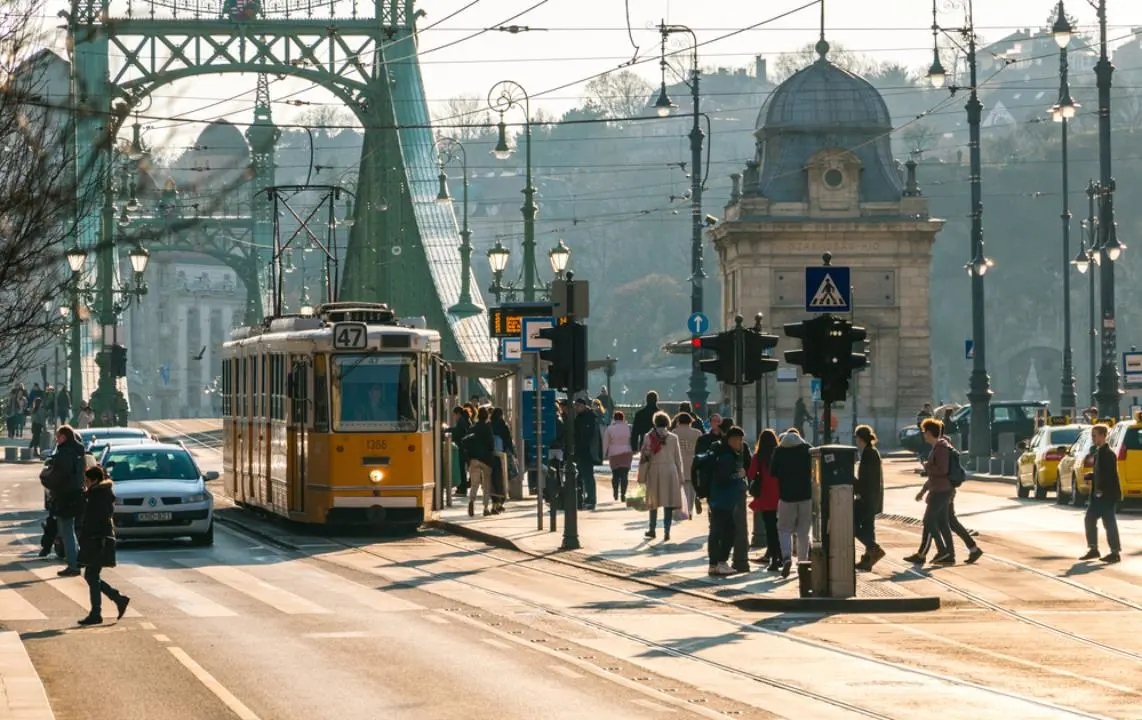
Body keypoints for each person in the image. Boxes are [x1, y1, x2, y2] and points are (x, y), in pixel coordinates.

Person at [76, 465, 129, 625]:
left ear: (94, 481)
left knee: (91, 575)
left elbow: (92, 519)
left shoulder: (96, 495)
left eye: (87, 481)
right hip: (101, 538)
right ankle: (115, 600)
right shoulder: (102, 493)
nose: (85, 484)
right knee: (92, 575)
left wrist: (84, 538)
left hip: (97, 540)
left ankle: (100, 611)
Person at [39, 425, 85, 577]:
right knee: (68, 530)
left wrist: (45, 477)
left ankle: (73, 565)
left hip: (65, 497)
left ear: (64, 437)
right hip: (75, 496)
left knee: (67, 531)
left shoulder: (65, 452)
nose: (56, 440)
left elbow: (59, 476)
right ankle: (76, 561)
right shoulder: (78, 451)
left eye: (58, 437)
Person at [770, 428, 812, 578]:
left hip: (786, 496)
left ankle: (787, 557)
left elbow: (773, 472)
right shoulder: (806, 448)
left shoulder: (779, 450)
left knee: (784, 529)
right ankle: (803, 562)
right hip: (806, 495)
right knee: (803, 532)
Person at [914, 418, 955, 565]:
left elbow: (942, 470)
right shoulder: (937, 447)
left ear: (930, 433)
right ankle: (949, 555)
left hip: (940, 490)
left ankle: (942, 551)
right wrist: (923, 490)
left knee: (928, 520)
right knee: (943, 522)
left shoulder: (940, 447)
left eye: (925, 432)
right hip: (940, 489)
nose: (923, 435)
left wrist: (927, 466)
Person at [708, 427, 748, 577]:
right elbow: (724, 479)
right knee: (729, 532)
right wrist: (739, 475)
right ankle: (721, 562)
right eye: (739, 440)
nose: (740, 443)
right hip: (724, 500)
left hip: (717, 499)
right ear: (732, 439)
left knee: (716, 531)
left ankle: (714, 564)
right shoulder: (727, 456)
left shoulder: (721, 452)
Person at [638, 411, 684, 541]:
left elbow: (644, 458)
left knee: (653, 501)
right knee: (668, 502)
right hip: (670, 470)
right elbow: (678, 458)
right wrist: (680, 476)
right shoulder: (673, 438)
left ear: (655, 422)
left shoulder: (649, 437)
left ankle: (652, 529)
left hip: (654, 470)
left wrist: (642, 476)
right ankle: (667, 531)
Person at [1081, 424, 1121, 564]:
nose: (1093, 438)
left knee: (1109, 522)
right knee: (1089, 519)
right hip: (1098, 495)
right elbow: (1101, 473)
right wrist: (1092, 476)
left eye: (1095, 436)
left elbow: (1110, 475)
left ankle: (1115, 552)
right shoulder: (1098, 453)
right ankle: (1093, 549)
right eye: (1092, 436)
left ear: (1103, 436)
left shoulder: (1109, 454)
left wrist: (1101, 489)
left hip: (1107, 495)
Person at [747, 429, 780, 571]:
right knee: (781, 528)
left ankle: (773, 557)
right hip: (780, 494)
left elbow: (750, 474)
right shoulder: (779, 454)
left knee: (770, 527)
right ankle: (781, 555)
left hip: (765, 495)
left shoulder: (758, 456)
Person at [853, 425, 886, 570]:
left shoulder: (869, 454)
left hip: (866, 498)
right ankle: (868, 559)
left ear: (860, 438)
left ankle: (873, 548)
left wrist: (852, 480)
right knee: (868, 527)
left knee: (851, 524)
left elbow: (867, 479)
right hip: (871, 498)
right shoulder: (872, 452)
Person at [462, 407, 496, 517]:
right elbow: (491, 444)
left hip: (474, 459)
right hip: (486, 460)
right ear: (487, 416)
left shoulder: (473, 428)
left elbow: (467, 442)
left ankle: (471, 500)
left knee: (474, 484)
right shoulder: (488, 428)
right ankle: (485, 508)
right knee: (486, 485)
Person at [573, 397, 602, 510]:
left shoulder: (590, 417)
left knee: (588, 476)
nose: (576, 408)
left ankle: (591, 499)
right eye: (576, 406)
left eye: (578, 406)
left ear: (584, 406)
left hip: (587, 452)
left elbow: (589, 436)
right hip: (581, 451)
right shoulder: (579, 417)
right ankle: (583, 499)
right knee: (581, 476)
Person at [672, 413, 702, 520]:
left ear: (678, 421)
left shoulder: (674, 432)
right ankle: (690, 510)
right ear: (690, 421)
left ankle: (681, 510)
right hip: (693, 462)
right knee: (692, 488)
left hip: (679, 462)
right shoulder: (697, 433)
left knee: (681, 488)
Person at [602, 410, 633, 502]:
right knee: (624, 475)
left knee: (615, 475)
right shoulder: (628, 428)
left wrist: (604, 454)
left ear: (614, 418)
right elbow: (632, 439)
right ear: (623, 418)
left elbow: (605, 442)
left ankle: (615, 492)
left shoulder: (610, 429)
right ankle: (623, 494)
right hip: (626, 452)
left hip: (614, 453)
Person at [489, 407, 514, 514]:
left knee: (493, 480)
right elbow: (508, 441)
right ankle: (500, 504)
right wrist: (512, 454)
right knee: (502, 480)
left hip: (491, 456)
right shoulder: (504, 426)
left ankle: (494, 504)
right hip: (502, 456)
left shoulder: (489, 425)